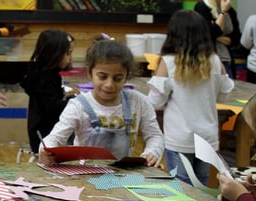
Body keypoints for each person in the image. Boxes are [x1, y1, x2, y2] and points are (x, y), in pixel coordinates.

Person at [39, 37, 163, 166]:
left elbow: (154, 135)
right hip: (85, 173)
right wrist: (46, 150)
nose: (109, 84)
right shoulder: (78, 105)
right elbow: (56, 138)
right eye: (102, 77)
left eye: (118, 78)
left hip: (122, 173)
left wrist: (151, 153)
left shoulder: (139, 102)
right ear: (90, 73)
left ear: (126, 77)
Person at [147, 9, 234, 185]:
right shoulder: (215, 61)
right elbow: (224, 97)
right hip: (207, 137)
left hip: (179, 138)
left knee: (182, 186)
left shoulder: (169, 62)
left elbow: (155, 102)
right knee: (202, 185)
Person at [21, 29, 77, 154]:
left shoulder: (45, 74)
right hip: (45, 139)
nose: (71, 58)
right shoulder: (44, 78)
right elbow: (53, 107)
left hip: (44, 133)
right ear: (54, 54)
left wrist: (66, 95)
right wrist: (78, 103)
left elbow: (50, 99)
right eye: (68, 53)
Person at [193, 0, 241, 82]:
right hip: (207, 60)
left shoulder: (230, 10)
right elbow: (207, 35)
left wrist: (216, 35)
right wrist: (223, 13)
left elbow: (236, 38)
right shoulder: (202, 7)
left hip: (226, 60)